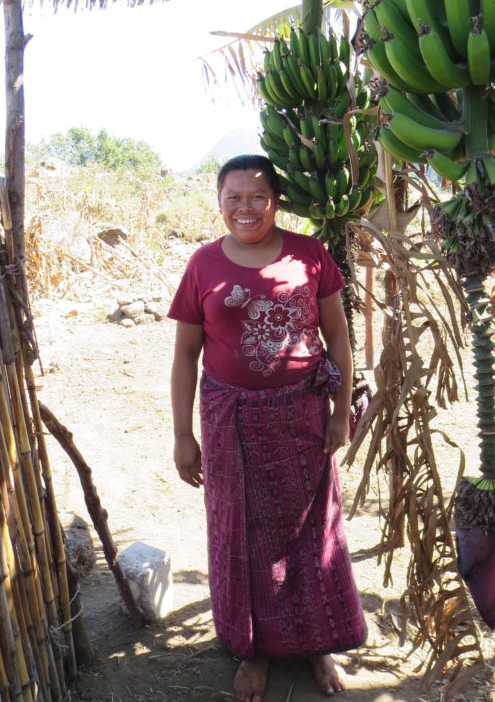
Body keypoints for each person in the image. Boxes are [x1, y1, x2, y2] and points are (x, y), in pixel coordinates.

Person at [168, 154, 367, 702]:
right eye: (233, 197)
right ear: (219, 201)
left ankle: (316, 645)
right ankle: (252, 651)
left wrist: (340, 411)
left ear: (276, 201)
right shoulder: (203, 265)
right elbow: (186, 354)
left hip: (302, 414)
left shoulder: (310, 255)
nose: (245, 208)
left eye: (257, 196)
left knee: (312, 531)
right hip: (229, 419)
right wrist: (184, 434)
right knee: (240, 533)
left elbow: (339, 338)